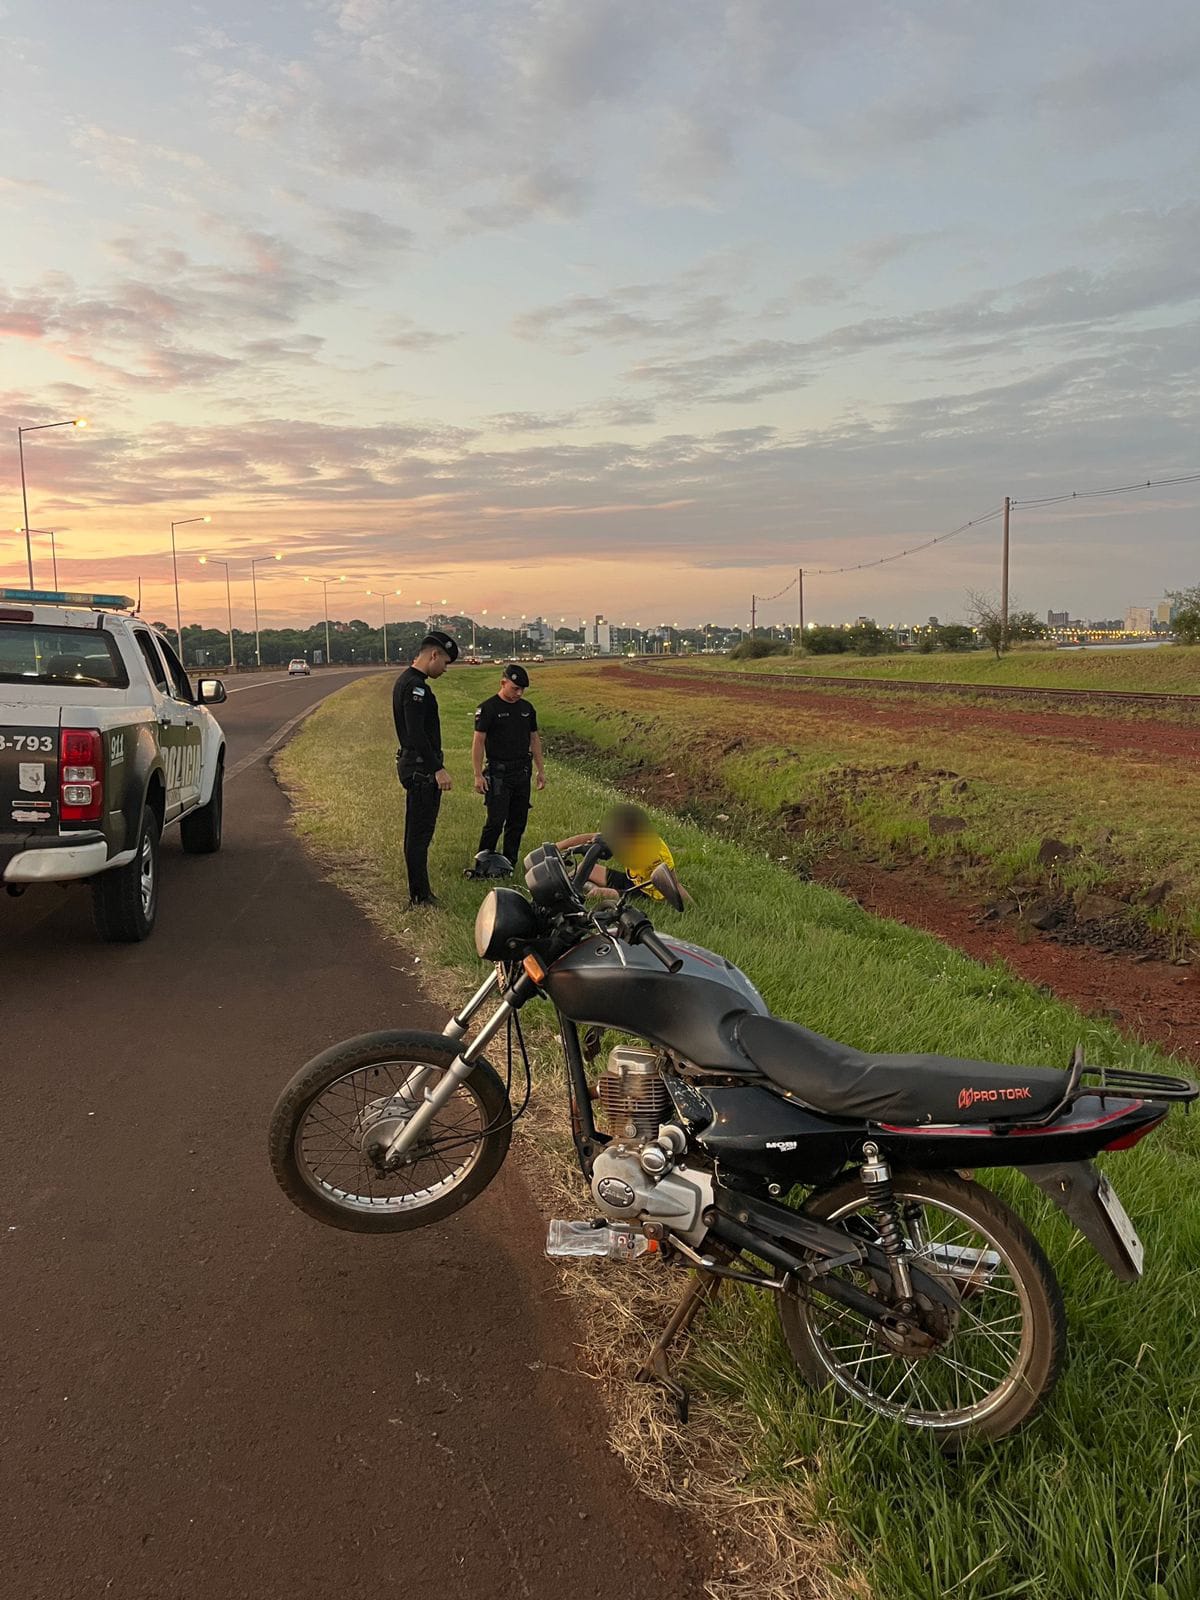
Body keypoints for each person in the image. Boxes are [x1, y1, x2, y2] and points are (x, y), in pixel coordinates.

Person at [393, 630, 458, 907]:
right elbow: (417, 733)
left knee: (416, 834)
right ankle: (420, 896)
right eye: (444, 663)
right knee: (419, 835)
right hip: (421, 769)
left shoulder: (408, 682)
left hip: (415, 765)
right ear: (434, 655)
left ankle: (420, 892)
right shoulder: (416, 687)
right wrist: (437, 769)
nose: (444, 670)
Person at [472, 663, 545, 872]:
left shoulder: (526, 709)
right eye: (515, 688)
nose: (518, 693)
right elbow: (478, 742)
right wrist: (478, 775)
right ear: (503, 683)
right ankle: (483, 862)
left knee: (517, 821)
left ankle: (508, 862)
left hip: (522, 771)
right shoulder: (488, 708)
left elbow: (534, 738)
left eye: (522, 689)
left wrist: (540, 770)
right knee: (495, 820)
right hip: (499, 772)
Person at [557, 803, 685, 903]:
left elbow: (674, 884)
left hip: (644, 893)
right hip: (631, 880)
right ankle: (562, 889)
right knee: (584, 869)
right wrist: (559, 846)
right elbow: (590, 837)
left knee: (597, 894)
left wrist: (691, 907)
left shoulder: (658, 854)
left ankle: (580, 896)